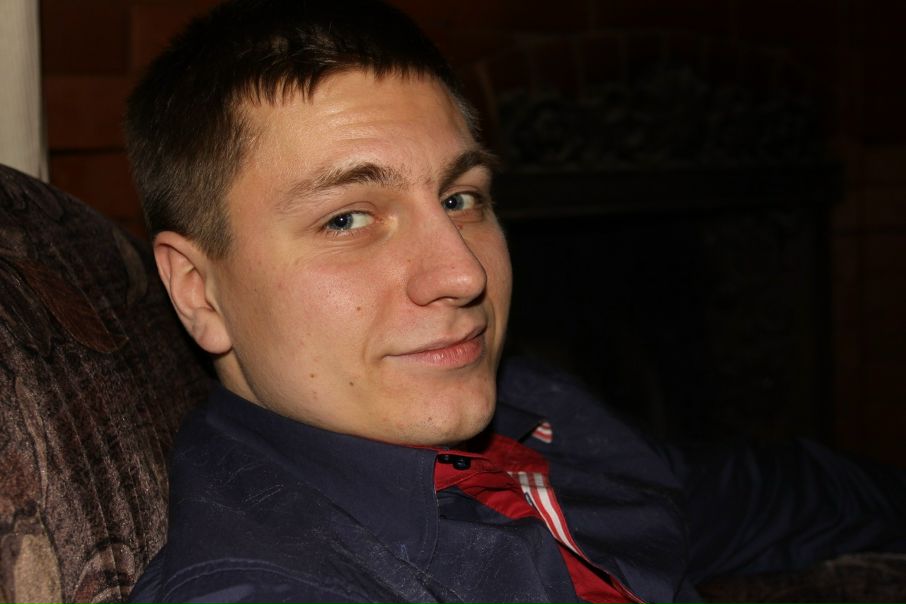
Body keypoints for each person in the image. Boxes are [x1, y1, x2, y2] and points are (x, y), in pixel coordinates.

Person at [125, 1, 906, 602]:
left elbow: (770, 494)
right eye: (348, 219)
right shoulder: (269, 582)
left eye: (460, 198)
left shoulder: (533, 410)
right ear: (199, 293)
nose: (463, 274)